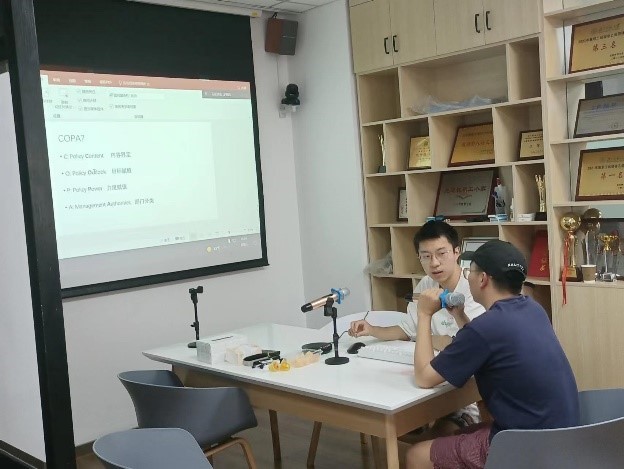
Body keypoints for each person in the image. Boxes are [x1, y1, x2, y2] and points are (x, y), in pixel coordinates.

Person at [407, 240, 579, 469]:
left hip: (527, 446)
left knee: (416, 455)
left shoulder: (486, 328)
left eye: (470, 272)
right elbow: (485, 343)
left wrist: (424, 315)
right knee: (448, 436)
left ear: (483, 279)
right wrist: (460, 316)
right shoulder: (532, 308)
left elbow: (424, 377)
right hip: (560, 436)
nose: (467, 277)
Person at [349, 220, 486, 428]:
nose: (434, 263)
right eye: (426, 256)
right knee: (391, 414)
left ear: (457, 252)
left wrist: (425, 338)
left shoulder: (472, 288)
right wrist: (372, 329)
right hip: (433, 378)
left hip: (467, 389)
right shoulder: (426, 284)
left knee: (440, 430)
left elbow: (461, 343)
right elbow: (408, 330)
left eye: (441, 253)